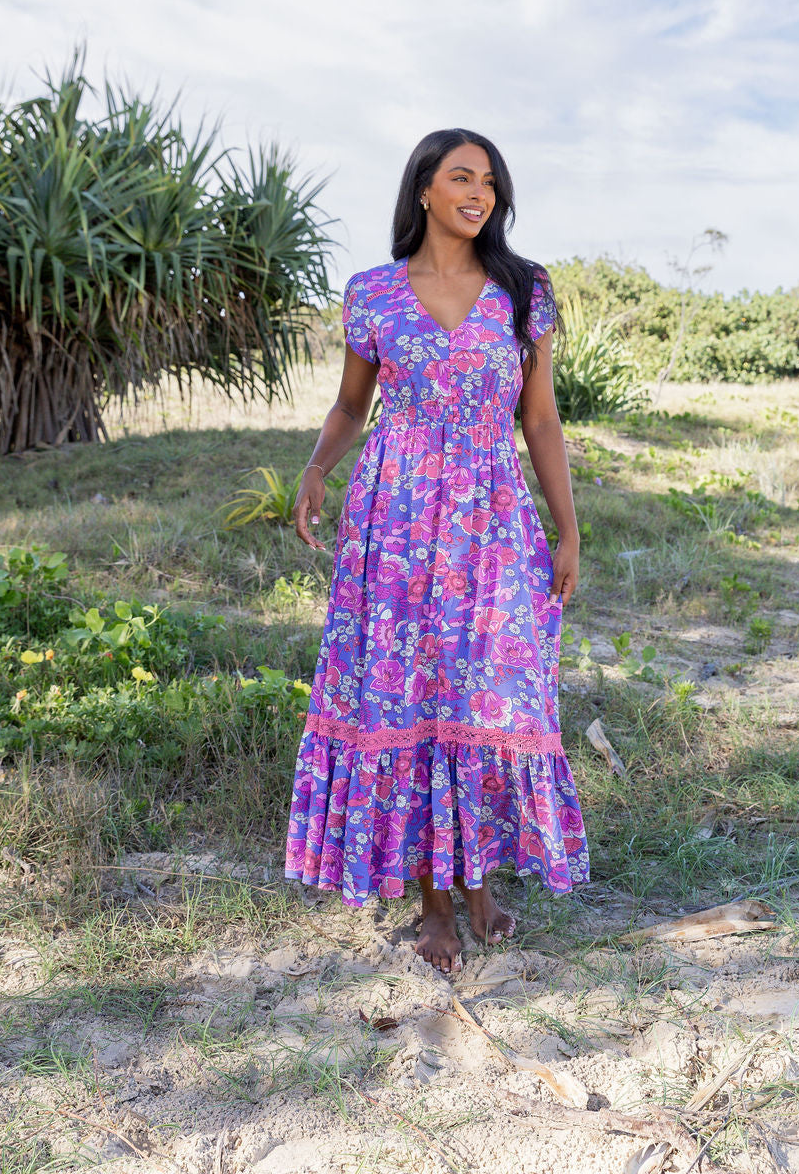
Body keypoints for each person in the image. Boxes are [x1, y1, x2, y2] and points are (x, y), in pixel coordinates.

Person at [284, 129, 589, 973]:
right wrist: (316, 469)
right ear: (424, 188)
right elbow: (352, 405)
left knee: (492, 695)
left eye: (490, 181)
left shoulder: (524, 291)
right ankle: (433, 907)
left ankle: (481, 882)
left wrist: (568, 527)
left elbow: (541, 420)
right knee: (408, 700)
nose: (479, 192)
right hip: (395, 525)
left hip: (491, 524)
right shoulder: (373, 294)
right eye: (462, 176)